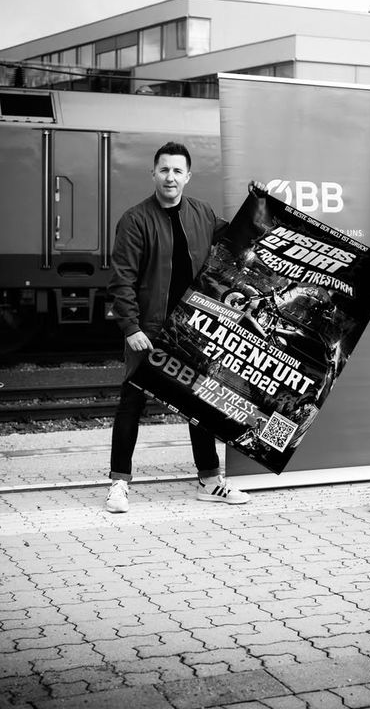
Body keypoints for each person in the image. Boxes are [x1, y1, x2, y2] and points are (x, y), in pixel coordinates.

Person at [105, 140, 265, 513]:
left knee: (200, 404)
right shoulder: (135, 220)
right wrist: (131, 327)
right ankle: (118, 484)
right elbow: (122, 280)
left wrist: (258, 203)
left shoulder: (201, 213)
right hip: (149, 330)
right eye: (164, 169)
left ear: (188, 176)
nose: (170, 177)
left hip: (193, 328)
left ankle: (210, 481)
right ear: (153, 173)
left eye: (177, 171)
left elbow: (237, 239)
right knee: (132, 403)